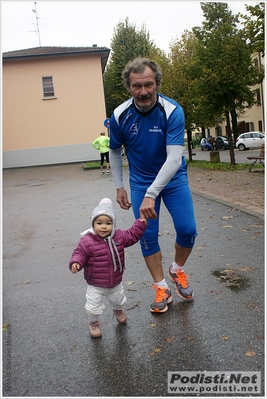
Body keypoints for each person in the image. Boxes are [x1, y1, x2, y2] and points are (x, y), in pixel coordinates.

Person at [109, 57, 197, 314]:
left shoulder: (172, 110)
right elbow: (114, 151)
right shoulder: (120, 114)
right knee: (147, 236)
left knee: (188, 229)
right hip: (140, 180)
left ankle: (177, 269)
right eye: (137, 86)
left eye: (149, 84)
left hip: (173, 178)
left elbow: (173, 158)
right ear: (129, 86)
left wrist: (152, 193)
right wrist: (119, 186)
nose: (143, 91)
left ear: (157, 83)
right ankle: (161, 287)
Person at [69, 198, 147, 338]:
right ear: (93, 224)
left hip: (115, 281)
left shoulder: (118, 236)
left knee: (118, 300)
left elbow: (132, 235)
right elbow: (79, 253)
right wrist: (76, 262)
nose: (103, 227)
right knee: (93, 306)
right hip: (95, 283)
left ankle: (118, 311)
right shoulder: (87, 240)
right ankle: (93, 324)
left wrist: (140, 225)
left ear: (113, 224)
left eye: (108, 223)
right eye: (99, 223)